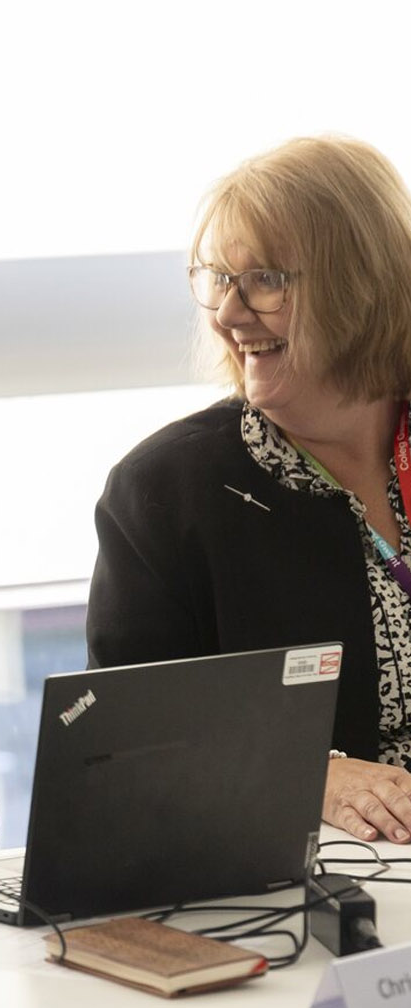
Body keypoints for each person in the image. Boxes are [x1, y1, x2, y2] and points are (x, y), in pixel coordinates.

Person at [87, 135, 411, 846]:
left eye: (263, 279)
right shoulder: (163, 492)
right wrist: (305, 771)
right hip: (315, 890)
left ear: (361, 285)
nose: (228, 315)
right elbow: (119, 748)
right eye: (216, 279)